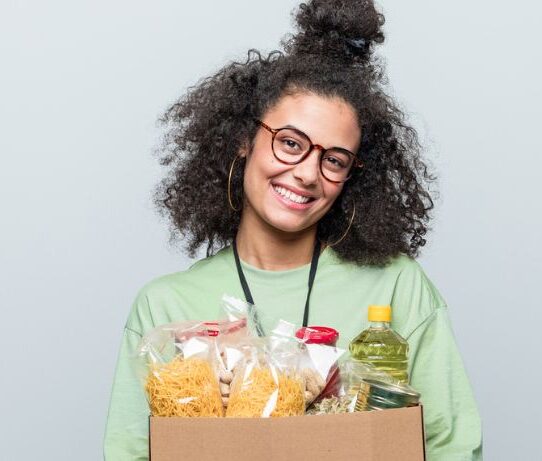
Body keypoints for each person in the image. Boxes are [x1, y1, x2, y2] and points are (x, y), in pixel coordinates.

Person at [103, 0, 483, 459]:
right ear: (245, 140)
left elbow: (452, 447)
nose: (307, 173)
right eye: (290, 143)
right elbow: (131, 452)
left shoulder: (398, 287)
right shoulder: (164, 307)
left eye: (334, 159)